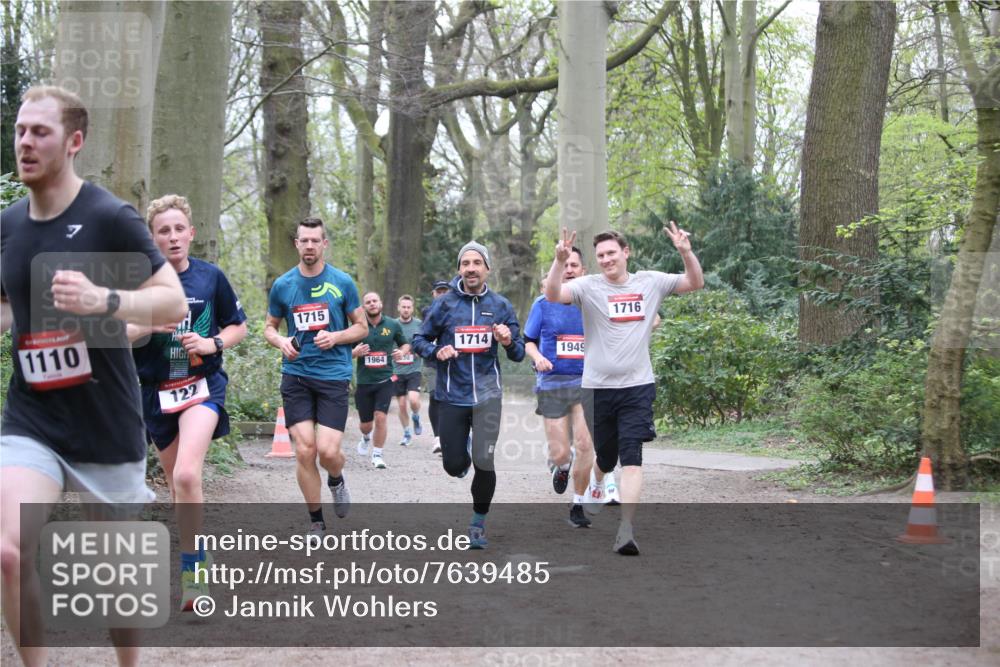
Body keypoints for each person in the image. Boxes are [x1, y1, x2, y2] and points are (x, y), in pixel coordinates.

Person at [1, 85, 187, 666]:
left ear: (74, 141)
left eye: (41, 132)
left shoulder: (108, 217)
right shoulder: (8, 226)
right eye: (20, 130)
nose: (25, 142)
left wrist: (104, 299)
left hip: (104, 421)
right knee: (8, 552)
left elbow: (172, 301)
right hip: (32, 416)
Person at [544, 224, 703, 556]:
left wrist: (686, 252)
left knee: (632, 457)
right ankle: (598, 481)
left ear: (626, 252)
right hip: (597, 389)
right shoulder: (588, 286)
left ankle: (626, 530)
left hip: (637, 386)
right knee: (606, 455)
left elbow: (694, 282)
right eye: (600, 255)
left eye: (611, 253)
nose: (606, 260)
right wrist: (559, 262)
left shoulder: (650, 282)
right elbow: (553, 294)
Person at [127, 194, 248, 611]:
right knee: (179, 489)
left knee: (185, 474)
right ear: (152, 238)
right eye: (164, 230)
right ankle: (199, 554)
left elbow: (238, 326)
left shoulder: (210, 277)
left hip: (201, 386)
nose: (173, 237)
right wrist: (146, 324)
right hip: (156, 392)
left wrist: (213, 343)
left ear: (191, 233)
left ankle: (193, 574)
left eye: (180, 229)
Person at [412, 242, 524, 549]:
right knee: (453, 466)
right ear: (459, 269)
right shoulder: (445, 304)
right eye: (465, 263)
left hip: (489, 397)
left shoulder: (501, 305)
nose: (471, 268)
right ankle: (460, 455)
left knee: (484, 461)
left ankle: (477, 523)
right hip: (452, 396)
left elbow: (518, 353)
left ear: (487, 268)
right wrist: (436, 351)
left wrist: (507, 340)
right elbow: (419, 339)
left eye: (477, 263)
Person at [264, 217, 366, 541]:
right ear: (297, 244)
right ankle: (316, 522)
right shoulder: (283, 285)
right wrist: (281, 341)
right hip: (296, 376)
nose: (309, 246)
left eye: (315, 240)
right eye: (304, 240)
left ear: (324, 244)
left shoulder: (342, 282)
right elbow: (269, 327)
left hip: (333, 375)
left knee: (328, 452)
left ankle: (336, 478)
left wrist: (335, 337)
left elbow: (362, 327)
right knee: (305, 450)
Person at [523, 247, 595, 528]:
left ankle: (578, 504)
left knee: (585, 444)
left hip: (587, 382)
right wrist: (538, 357)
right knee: (561, 453)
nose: (569, 270)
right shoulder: (542, 303)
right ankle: (562, 465)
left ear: (583, 270)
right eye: (564, 264)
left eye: (574, 265)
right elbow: (528, 341)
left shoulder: (592, 302)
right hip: (552, 383)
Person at [352, 291, 410, 468]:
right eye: (368, 302)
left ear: (380, 304)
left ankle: (377, 455)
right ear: (363, 307)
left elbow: (405, 344)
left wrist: (402, 352)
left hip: (385, 380)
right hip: (364, 381)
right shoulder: (357, 326)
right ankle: (365, 437)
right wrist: (354, 352)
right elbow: (344, 352)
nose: (372, 304)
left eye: (374, 301)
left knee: (381, 417)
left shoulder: (392, 324)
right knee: (366, 425)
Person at [392, 294, 424, 447]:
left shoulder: (419, 325)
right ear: (399, 308)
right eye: (403, 307)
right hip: (396, 370)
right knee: (402, 405)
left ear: (412, 309)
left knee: (413, 399)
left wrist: (420, 350)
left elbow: (426, 342)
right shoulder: (392, 324)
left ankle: (416, 416)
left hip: (414, 369)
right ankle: (406, 433)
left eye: (408, 307)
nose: (406, 309)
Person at [424, 279, 451, 455]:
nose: (442, 294)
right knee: (435, 396)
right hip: (432, 362)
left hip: (452, 362)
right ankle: (438, 438)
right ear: (433, 294)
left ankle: (452, 436)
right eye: (438, 291)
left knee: (450, 400)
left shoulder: (458, 310)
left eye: (444, 291)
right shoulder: (427, 312)